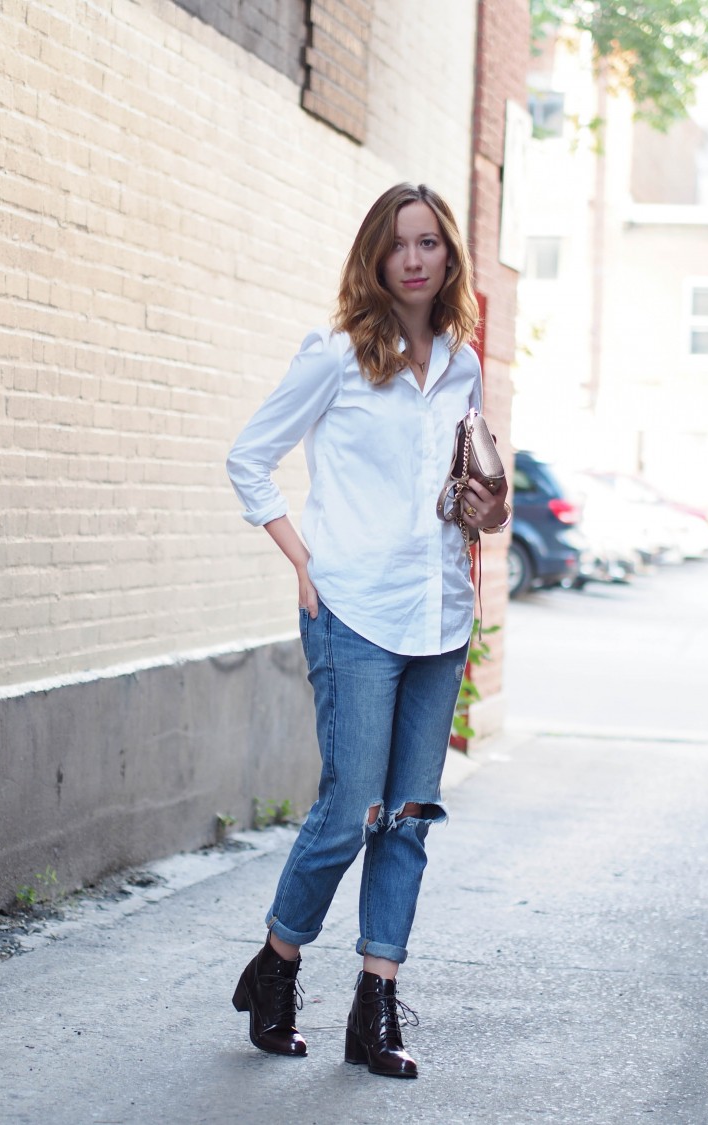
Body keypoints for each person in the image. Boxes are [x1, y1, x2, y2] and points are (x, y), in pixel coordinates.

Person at [225, 182, 511, 1079]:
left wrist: (484, 505)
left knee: (410, 818)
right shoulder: (338, 354)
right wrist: (303, 560)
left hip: (439, 614)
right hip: (354, 612)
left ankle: (374, 1006)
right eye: (401, 245)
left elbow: (467, 490)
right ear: (377, 256)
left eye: (431, 243)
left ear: (448, 257)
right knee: (350, 811)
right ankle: (276, 965)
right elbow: (248, 457)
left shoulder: (462, 362)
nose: (416, 259)